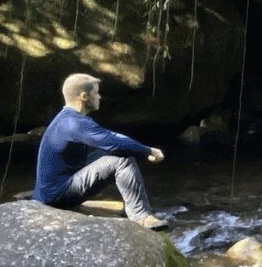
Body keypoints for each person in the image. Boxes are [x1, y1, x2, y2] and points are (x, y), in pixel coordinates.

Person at [33, 73, 169, 229]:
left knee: (118, 153)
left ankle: (138, 213)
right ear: (84, 97)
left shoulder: (67, 118)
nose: (99, 97)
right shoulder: (74, 123)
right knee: (122, 160)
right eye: (96, 93)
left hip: (55, 188)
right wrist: (148, 151)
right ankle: (141, 218)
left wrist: (141, 149)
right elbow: (113, 142)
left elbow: (113, 138)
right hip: (56, 196)